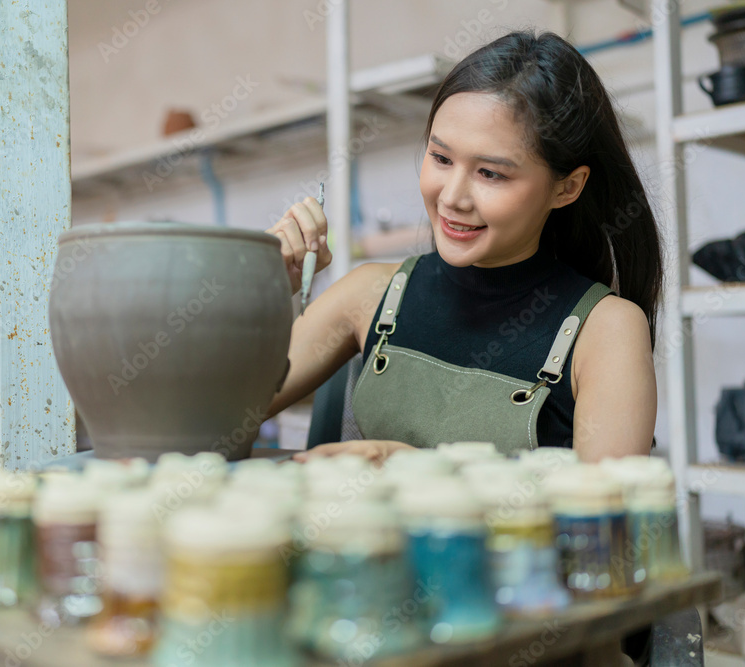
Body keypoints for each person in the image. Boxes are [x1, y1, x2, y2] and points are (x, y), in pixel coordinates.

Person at [264, 30, 662, 466]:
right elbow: (213, 414)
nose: (452, 196)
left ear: (567, 187)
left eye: (490, 173)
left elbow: (605, 516)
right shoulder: (370, 294)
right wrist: (260, 286)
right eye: (441, 159)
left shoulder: (606, 330)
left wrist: (422, 470)